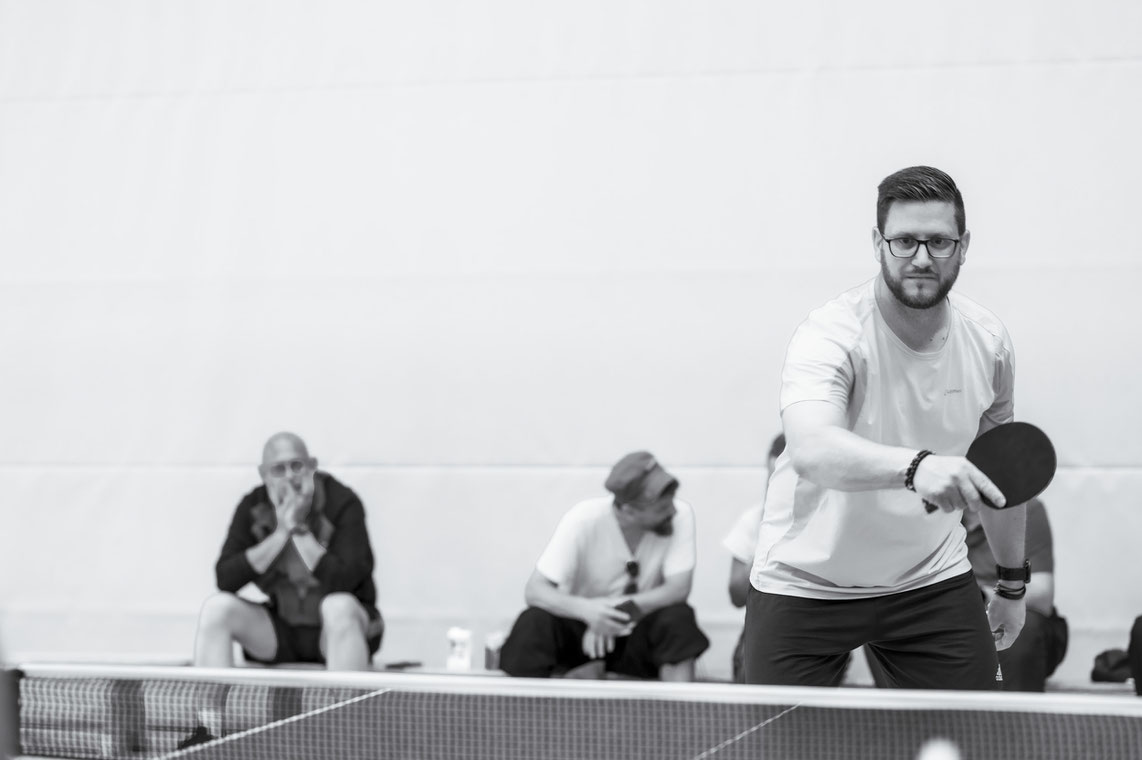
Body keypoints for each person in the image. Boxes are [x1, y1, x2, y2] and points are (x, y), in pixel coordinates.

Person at [743, 166, 1029, 690]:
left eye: (939, 241)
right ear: (879, 242)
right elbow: (811, 448)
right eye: (904, 241)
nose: (922, 257)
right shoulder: (831, 335)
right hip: (807, 581)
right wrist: (917, 467)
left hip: (929, 580)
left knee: (971, 740)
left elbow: (1000, 473)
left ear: (963, 246)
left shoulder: (989, 343)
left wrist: (1012, 585)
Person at [181, 432, 382, 747]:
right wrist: (281, 532)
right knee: (217, 609)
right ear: (264, 475)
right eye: (278, 469)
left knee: (339, 605)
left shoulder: (343, 502)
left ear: (312, 466)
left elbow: (348, 578)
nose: (290, 476)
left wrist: (299, 529)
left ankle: (346, 739)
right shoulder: (253, 507)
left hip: (338, 634)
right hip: (283, 632)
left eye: (297, 466)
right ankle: (209, 735)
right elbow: (226, 577)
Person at [499, 451, 710, 681]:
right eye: (660, 509)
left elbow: (677, 590)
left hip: (637, 632)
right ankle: (525, 711)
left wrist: (611, 612)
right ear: (629, 511)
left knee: (678, 619)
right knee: (533, 623)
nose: (672, 511)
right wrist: (588, 612)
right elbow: (535, 591)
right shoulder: (583, 519)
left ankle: (681, 711)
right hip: (583, 636)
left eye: (671, 500)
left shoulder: (680, 515)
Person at [962, 498, 1067, 691]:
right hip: (955, 616)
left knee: (1017, 631)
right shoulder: (931, 514)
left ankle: (1014, 716)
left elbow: (1042, 594)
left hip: (1001, 611)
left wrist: (981, 596)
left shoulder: (1026, 508)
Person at [723, 433, 785, 682]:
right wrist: (769, 543)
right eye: (772, 478)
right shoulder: (753, 520)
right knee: (746, 672)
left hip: (817, 625)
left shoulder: (830, 521)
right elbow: (736, 596)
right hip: (765, 625)